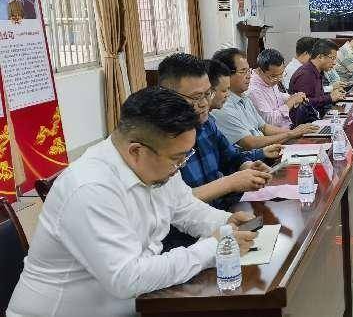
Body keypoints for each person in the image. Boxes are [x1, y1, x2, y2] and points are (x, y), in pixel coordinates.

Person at [7, 87, 258, 317]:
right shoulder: (90, 189)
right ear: (136, 150)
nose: (180, 166)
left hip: (138, 304)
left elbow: (185, 208)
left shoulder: (158, 166)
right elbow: (127, 278)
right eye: (177, 158)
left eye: (185, 156)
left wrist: (226, 222)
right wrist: (212, 247)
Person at [158, 54, 279, 211]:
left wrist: (248, 166)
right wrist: (230, 183)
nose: (204, 103)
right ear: (167, 95)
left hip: (218, 212)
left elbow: (231, 157)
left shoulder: (207, 123)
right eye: (196, 97)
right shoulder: (158, 139)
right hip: (194, 220)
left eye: (208, 94)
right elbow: (175, 204)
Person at [210, 48, 318, 150]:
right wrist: (291, 134)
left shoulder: (243, 97)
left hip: (267, 149)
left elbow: (264, 127)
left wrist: (296, 132)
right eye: (243, 71)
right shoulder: (223, 105)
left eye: (248, 71)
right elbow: (249, 143)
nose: (249, 76)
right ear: (225, 75)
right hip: (255, 156)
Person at [248, 48, 307, 128]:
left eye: (281, 73)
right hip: (277, 133)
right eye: (273, 76)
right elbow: (270, 121)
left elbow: (276, 97)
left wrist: (293, 97)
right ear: (260, 71)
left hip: (287, 127)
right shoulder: (253, 90)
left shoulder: (269, 80)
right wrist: (290, 103)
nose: (278, 79)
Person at [289, 39, 347, 118]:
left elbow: (317, 98)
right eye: (332, 58)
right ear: (320, 57)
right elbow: (304, 104)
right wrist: (330, 98)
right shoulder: (306, 74)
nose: (334, 63)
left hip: (318, 114)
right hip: (308, 121)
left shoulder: (318, 71)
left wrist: (334, 96)